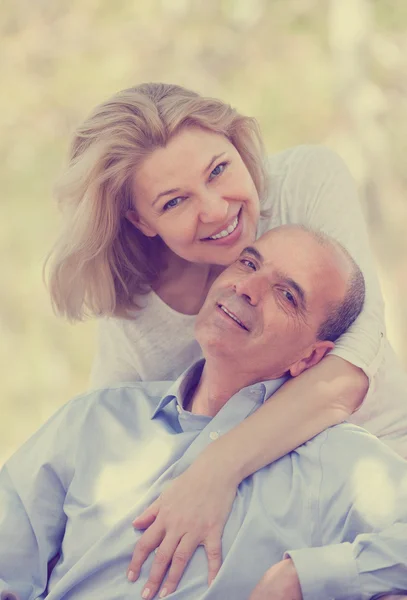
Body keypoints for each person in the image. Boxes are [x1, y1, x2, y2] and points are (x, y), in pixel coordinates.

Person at [45, 82, 407, 590]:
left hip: (377, 478)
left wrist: (216, 470)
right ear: (139, 220)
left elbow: (351, 362)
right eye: (174, 202)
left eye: (219, 169)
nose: (216, 210)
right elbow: (98, 451)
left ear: (238, 144)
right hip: (251, 514)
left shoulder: (305, 181)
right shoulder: (138, 311)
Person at [4, 227, 407, 600]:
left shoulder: (336, 465)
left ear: (311, 357)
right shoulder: (96, 418)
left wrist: (303, 578)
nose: (247, 288)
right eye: (248, 263)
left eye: (286, 295)